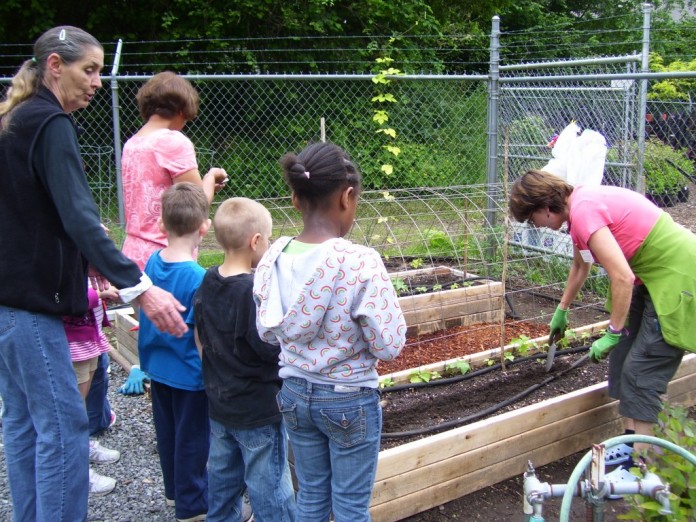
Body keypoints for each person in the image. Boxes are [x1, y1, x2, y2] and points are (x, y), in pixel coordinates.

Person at [0, 25, 188, 522]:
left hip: (8, 301)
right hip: (32, 306)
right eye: (89, 70)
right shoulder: (49, 122)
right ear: (55, 67)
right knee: (63, 429)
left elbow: (32, 214)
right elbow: (79, 215)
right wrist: (140, 288)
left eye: (101, 71)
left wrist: (82, 260)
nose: (97, 82)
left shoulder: (16, 118)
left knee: (23, 425)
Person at [509, 169, 696, 494]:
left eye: (533, 218)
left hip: (677, 276)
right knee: (623, 357)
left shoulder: (583, 211)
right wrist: (561, 310)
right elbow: (582, 264)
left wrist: (612, 331)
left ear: (546, 206)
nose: (536, 225)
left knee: (642, 370)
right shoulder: (578, 208)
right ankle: (629, 445)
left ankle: (640, 469)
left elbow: (621, 277)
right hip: (650, 277)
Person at [253, 142, 407, 521]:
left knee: (311, 500)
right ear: (347, 196)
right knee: (351, 508)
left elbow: (266, 331)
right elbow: (389, 345)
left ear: (294, 198)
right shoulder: (360, 262)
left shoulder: (273, 256)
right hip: (348, 399)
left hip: (292, 394)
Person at [193, 197, 296, 522]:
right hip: (258, 412)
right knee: (270, 490)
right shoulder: (253, 293)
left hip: (220, 407)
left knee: (222, 484)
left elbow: (200, 336)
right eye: (266, 240)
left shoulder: (208, 280)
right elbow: (269, 349)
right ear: (255, 242)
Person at [138, 183, 211, 522]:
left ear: (162, 226)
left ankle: (174, 493)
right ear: (204, 228)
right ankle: (193, 507)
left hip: (158, 367)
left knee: (167, 433)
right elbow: (201, 335)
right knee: (192, 440)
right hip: (190, 375)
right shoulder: (199, 277)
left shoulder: (153, 262)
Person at [121, 70, 228, 271]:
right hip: (168, 255)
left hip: (133, 253)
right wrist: (211, 176)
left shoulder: (132, 143)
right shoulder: (173, 141)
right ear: (181, 109)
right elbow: (197, 203)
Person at [64, 284, 121, 496]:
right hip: (74, 342)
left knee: (82, 407)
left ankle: (82, 447)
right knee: (72, 413)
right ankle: (76, 474)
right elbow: (64, 294)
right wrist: (98, 294)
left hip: (88, 338)